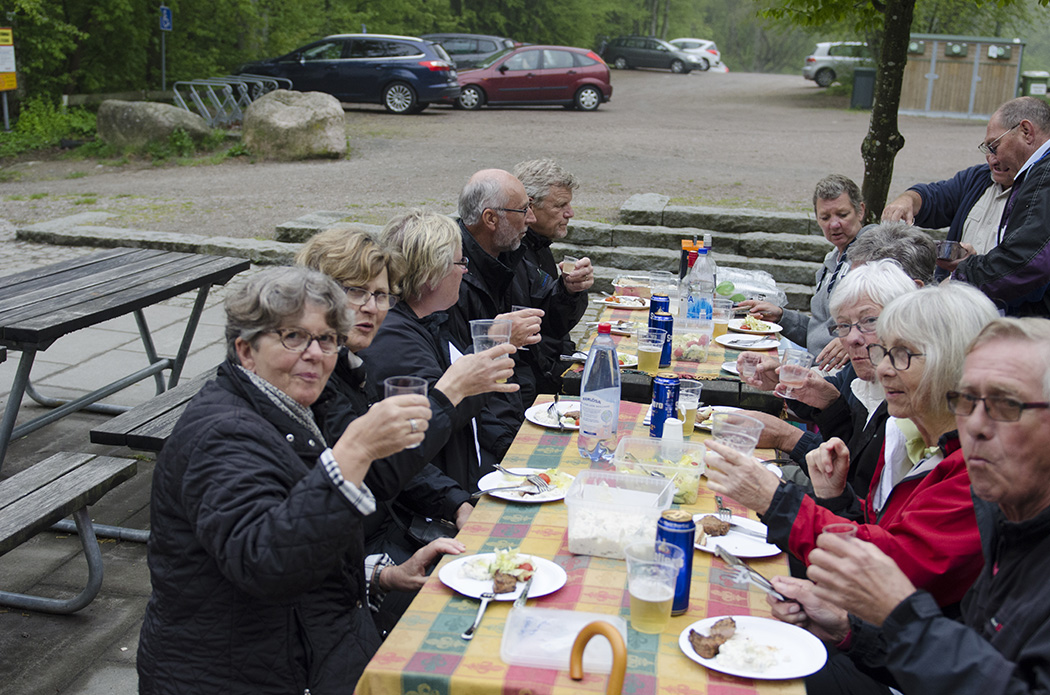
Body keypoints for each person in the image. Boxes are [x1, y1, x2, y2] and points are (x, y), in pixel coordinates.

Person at [138, 266, 461, 694]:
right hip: (232, 674)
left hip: (300, 653)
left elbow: (292, 532)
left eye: (326, 339)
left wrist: (378, 577)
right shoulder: (224, 435)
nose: (314, 353)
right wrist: (354, 452)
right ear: (245, 350)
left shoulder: (288, 409)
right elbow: (266, 565)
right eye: (293, 336)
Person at [768, 317, 1050, 695]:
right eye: (967, 400)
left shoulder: (983, 497)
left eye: (1006, 405)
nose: (976, 425)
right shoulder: (1011, 519)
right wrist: (851, 632)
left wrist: (898, 615)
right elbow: (965, 658)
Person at [706, 282, 997, 611]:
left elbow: (893, 570)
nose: (884, 369)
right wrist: (838, 497)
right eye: (883, 353)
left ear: (954, 362)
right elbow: (878, 529)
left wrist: (773, 499)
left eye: (901, 355)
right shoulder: (913, 435)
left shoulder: (978, 470)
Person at [296, 226, 513, 632]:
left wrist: (453, 502)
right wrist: (448, 394)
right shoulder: (312, 386)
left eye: (380, 295)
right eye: (355, 291)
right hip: (360, 558)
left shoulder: (349, 368)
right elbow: (378, 471)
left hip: (372, 550)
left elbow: (387, 452)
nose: (371, 307)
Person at [360, 209, 520, 492]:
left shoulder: (433, 319)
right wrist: (490, 350)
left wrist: (509, 447)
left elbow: (473, 416)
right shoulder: (393, 337)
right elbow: (420, 438)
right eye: (460, 262)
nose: (466, 270)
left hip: (467, 477)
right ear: (431, 274)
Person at [739, 260, 917, 495]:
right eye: (843, 325)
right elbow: (846, 455)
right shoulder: (861, 371)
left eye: (869, 320)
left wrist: (788, 438)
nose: (853, 338)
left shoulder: (910, 402)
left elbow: (858, 498)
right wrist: (817, 396)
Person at [738, 174, 868, 369]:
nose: (834, 224)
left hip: (841, 373)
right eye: (825, 217)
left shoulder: (871, 253)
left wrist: (855, 336)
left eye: (842, 215)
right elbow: (818, 333)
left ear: (860, 211)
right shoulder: (831, 261)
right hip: (815, 362)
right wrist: (782, 316)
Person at [944, 97, 1050, 317]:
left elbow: (1027, 260)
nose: (993, 157)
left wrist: (961, 277)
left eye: (995, 145)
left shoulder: (1045, 176)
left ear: (1027, 132)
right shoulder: (1035, 174)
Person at [512, 158, 595, 393]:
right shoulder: (511, 250)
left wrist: (571, 289)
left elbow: (552, 322)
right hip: (532, 380)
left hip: (549, 365)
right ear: (529, 205)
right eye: (560, 205)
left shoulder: (539, 244)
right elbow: (536, 334)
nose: (570, 213)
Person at [881, 139, 1016, 262]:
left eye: (997, 148)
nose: (992, 160)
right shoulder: (977, 178)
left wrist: (971, 267)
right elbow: (935, 197)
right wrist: (907, 200)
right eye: (989, 148)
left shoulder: (1033, 195)